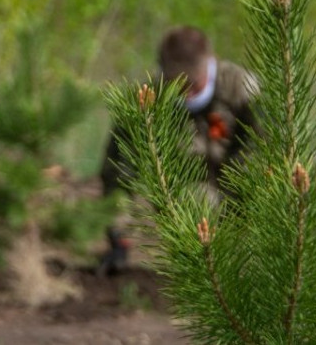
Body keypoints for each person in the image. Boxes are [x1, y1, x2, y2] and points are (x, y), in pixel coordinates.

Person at [98, 25, 259, 273]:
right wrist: (119, 234)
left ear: (210, 64)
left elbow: (270, 149)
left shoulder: (240, 89)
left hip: (243, 192)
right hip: (191, 198)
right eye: (178, 86)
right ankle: (201, 267)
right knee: (196, 198)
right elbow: (118, 171)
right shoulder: (146, 103)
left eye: (194, 86)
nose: (188, 95)